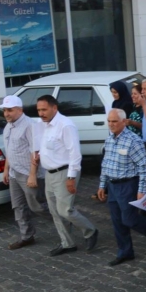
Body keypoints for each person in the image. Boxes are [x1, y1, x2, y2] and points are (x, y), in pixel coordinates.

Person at [32, 95, 99, 256]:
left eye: (44, 109)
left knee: (65, 210)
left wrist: (71, 178)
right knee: (55, 211)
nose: (41, 113)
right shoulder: (43, 125)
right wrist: (40, 155)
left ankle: (90, 230)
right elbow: (49, 146)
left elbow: (75, 154)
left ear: (54, 108)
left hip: (64, 172)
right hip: (49, 174)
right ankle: (67, 243)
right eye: (39, 110)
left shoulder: (65, 125)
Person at [96, 107, 146, 266]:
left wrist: (141, 190)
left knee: (129, 219)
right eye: (109, 121)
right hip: (112, 185)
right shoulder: (109, 139)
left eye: (114, 121)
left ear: (124, 122)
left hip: (127, 185)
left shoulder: (133, 141)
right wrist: (101, 185)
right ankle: (125, 252)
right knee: (117, 221)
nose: (111, 124)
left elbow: (144, 167)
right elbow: (106, 164)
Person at [1, 95, 47, 250]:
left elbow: (35, 152)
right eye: (5, 110)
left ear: (20, 110)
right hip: (14, 173)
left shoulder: (30, 125)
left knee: (37, 206)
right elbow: (9, 150)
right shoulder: (8, 126)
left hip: (28, 173)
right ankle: (27, 236)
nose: (6, 113)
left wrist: (32, 175)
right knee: (18, 206)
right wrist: (6, 169)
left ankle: (65, 220)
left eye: (10, 110)